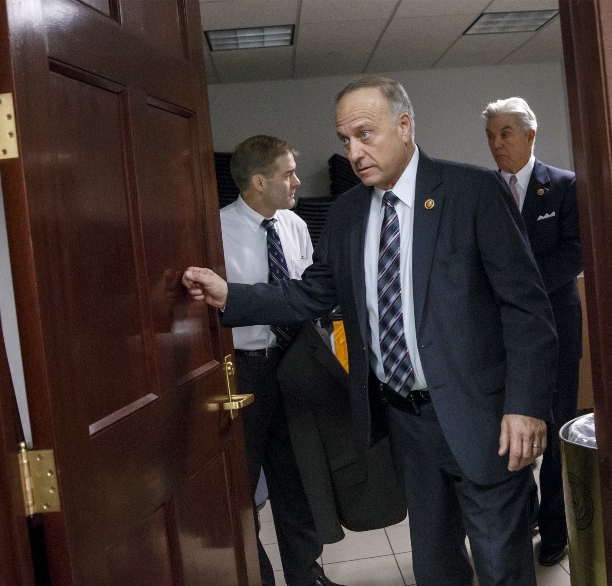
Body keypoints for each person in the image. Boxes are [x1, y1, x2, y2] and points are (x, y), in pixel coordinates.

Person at [184, 76, 557, 585]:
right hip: (405, 423)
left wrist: (526, 405)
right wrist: (231, 296)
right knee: (435, 564)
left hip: (484, 417)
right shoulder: (348, 213)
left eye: (365, 134)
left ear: (404, 126)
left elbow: (527, 310)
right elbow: (311, 292)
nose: (354, 152)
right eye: (345, 141)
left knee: (500, 563)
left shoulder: (472, 192)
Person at [221, 135, 342, 586]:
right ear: (258, 181)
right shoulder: (214, 230)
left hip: (296, 365)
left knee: (298, 481)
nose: (296, 181)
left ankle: (307, 578)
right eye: (288, 172)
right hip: (246, 370)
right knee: (242, 491)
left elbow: (306, 296)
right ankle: (259, 579)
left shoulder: (293, 225)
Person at [483, 97, 583, 566]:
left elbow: (576, 253)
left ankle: (557, 527)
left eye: (506, 133)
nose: (497, 143)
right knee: (509, 428)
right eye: (491, 135)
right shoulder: (485, 191)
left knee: (558, 424)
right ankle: (518, 520)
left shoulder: (562, 187)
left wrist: (521, 286)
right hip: (500, 333)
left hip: (556, 324)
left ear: (530, 135)